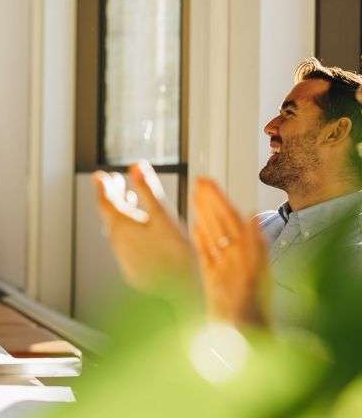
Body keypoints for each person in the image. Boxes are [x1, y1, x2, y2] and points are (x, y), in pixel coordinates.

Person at [94, 58, 362, 327]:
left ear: (335, 132)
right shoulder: (258, 229)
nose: (270, 127)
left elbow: (296, 353)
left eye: (289, 113)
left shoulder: (354, 256)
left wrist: (183, 279)